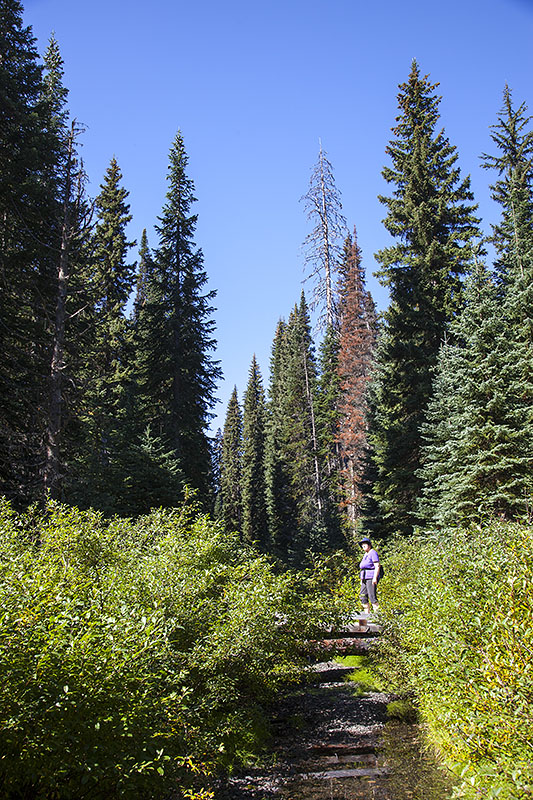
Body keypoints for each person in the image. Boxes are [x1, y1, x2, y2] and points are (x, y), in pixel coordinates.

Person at [359, 537, 381, 614]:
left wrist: (375, 578)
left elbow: (377, 566)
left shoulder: (373, 552)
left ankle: (377, 615)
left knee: (372, 596)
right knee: (363, 596)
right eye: (362, 545)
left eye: (365, 544)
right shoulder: (365, 554)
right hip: (364, 577)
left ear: (369, 545)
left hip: (371, 577)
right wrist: (361, 580)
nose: (363, 546)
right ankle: (366, 614)